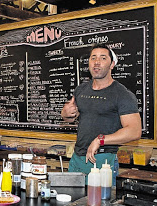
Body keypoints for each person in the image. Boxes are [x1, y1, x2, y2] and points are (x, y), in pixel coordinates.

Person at [61, 44, 142, 183]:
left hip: (103, 161)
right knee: (71, 203)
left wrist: (101, 139)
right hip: (77, 158)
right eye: (93, 58)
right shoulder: (81, 90)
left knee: (99, 204)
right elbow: (70, 118)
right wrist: (66, 113)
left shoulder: (122, 94)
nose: (97, 62)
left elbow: (134, 131)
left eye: (103, 58)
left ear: (112, 64)